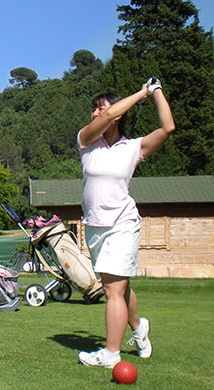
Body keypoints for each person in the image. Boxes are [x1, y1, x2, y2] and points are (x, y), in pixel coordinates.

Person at [76, 78, 175, 367]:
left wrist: (155, 93)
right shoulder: (85, 141)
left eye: (100, 108)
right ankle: (138, 328)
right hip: (94, 226)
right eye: (93, 109)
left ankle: (110, 353)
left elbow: (168, 128)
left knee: (113, 290)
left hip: (123, 222)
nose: (95, 113)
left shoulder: (133, 148)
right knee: (118, 285)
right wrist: (140, 93)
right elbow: (107, 117)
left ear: (119, 114)